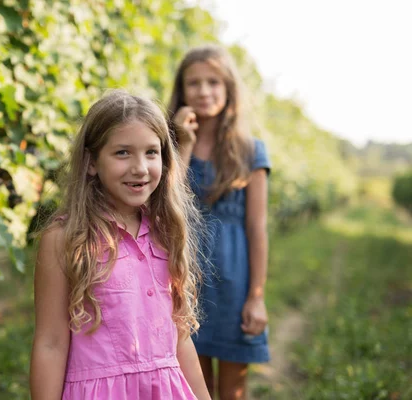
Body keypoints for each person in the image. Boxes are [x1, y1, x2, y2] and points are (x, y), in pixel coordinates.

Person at [30, 90, 211, 399]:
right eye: (123, 153)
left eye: (151, 153)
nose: (140, 167)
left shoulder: (166, 233)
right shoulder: (65, 239)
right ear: (91, 162)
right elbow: (51, 343)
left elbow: (180, 339)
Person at [169, 44, 271, 399]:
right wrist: (182, 145)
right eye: (193, 83)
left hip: (233, 283)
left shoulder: (250, 152)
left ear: (229, 90)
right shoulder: (167, 143)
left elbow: (257, 228)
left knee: (232, 391)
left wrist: (256, 297)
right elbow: (166, 203)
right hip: (183, 282)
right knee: (194, 389)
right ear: (181, 91)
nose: (203, 91)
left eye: (213, 82)